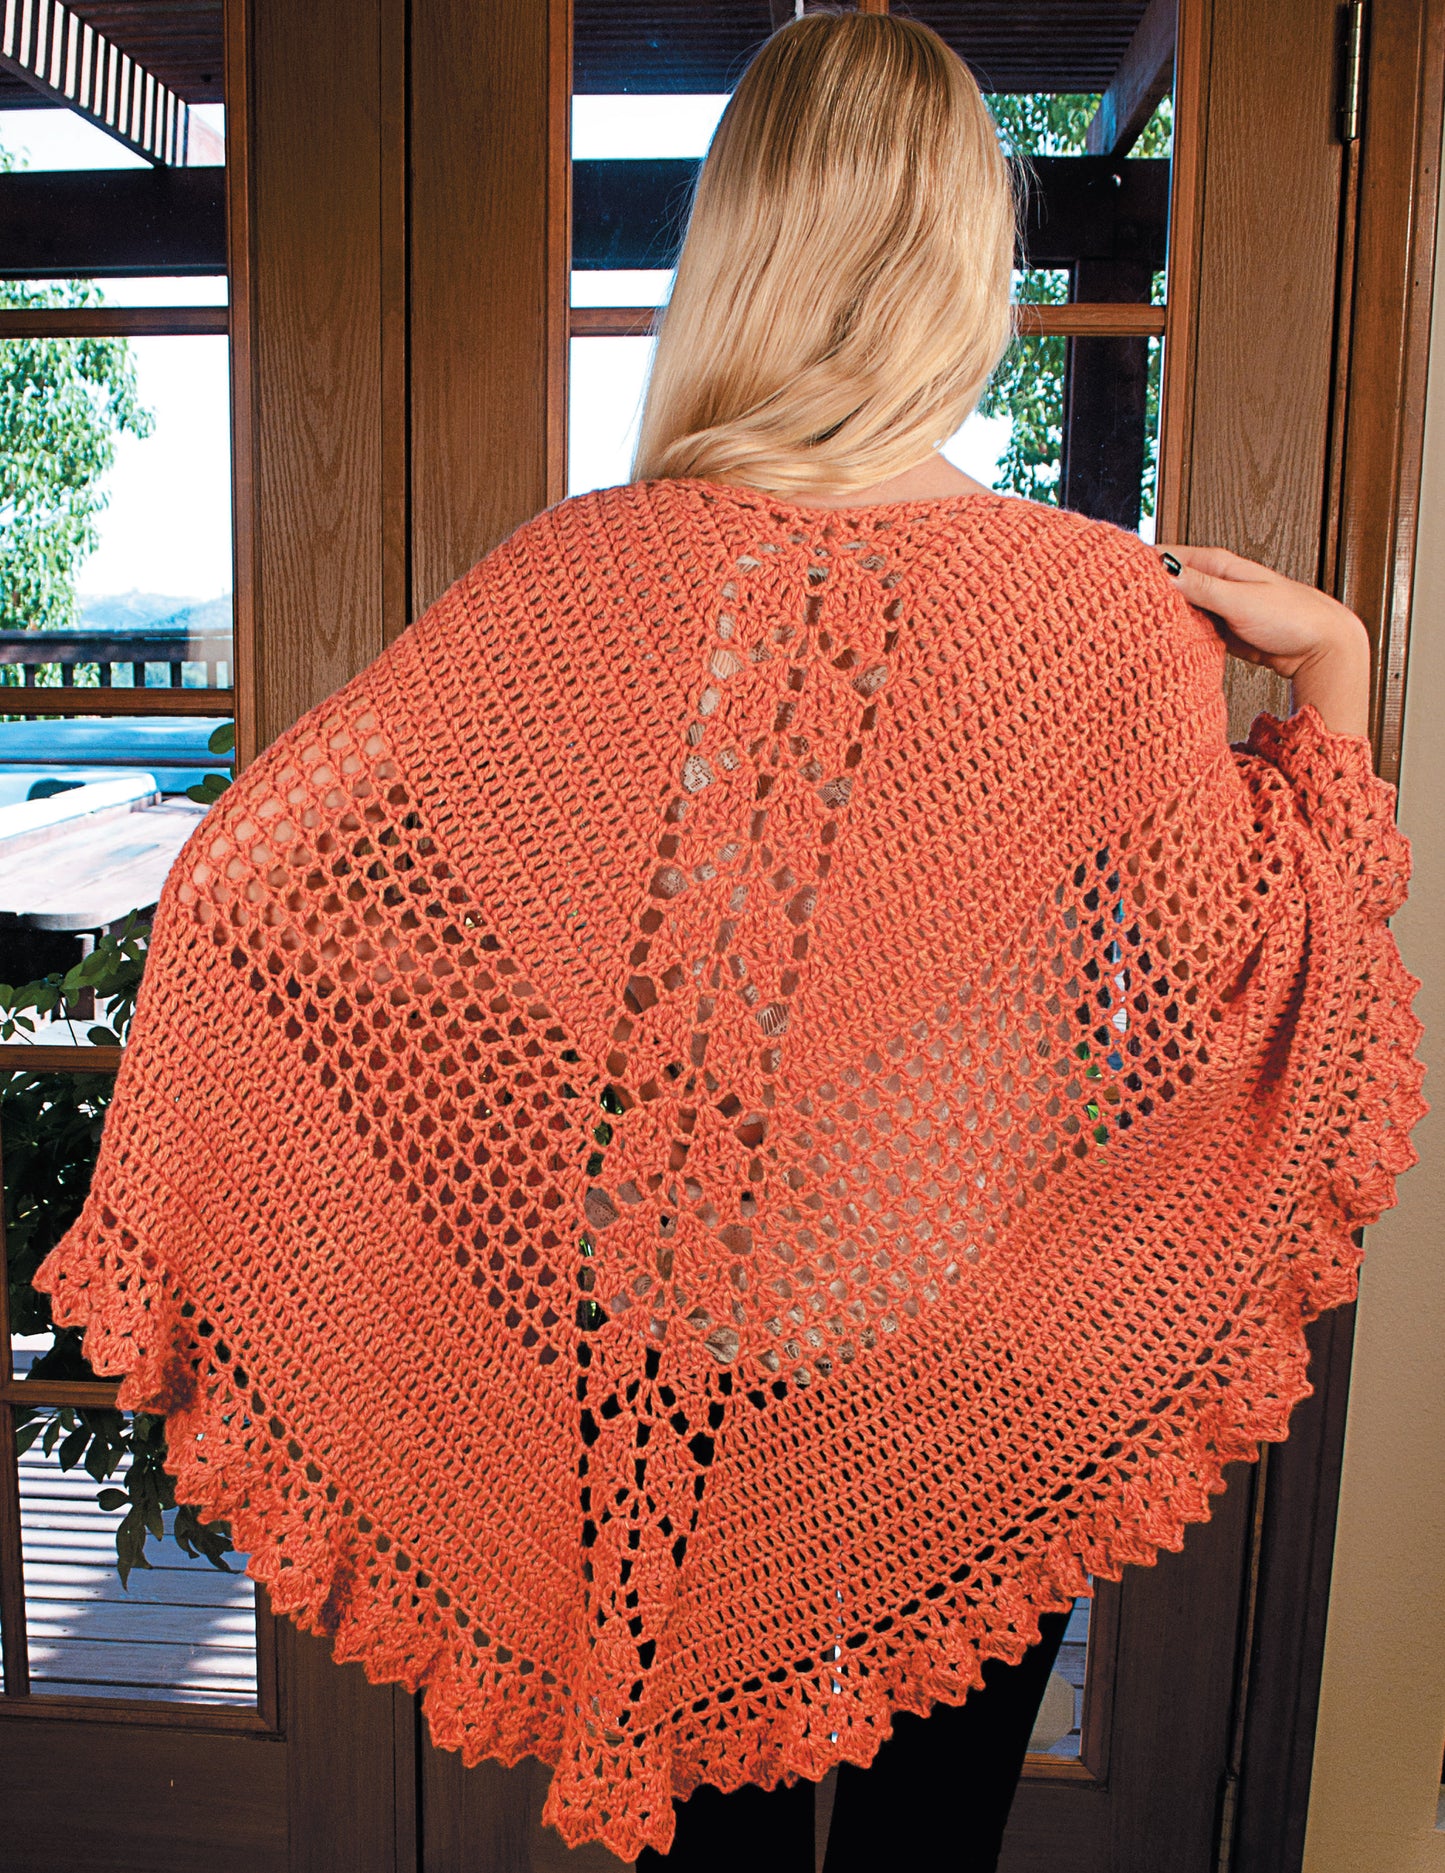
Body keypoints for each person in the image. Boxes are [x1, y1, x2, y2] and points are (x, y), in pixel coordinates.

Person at [31, 7, 1424, 1870]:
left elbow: (250, 890)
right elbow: (1240, 996)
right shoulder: (1098, 607)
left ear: (739, 239)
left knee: (716, 1855)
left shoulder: (574, 575)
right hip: (967, 1353)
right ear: (964, 256)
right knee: (928, 1847)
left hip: (663, 1341)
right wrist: (1330, 675)